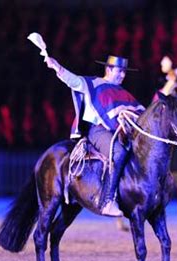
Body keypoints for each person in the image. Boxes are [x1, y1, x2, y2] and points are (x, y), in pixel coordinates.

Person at [44, 55, 145, 217]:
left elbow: (141, 113)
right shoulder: (94, 84)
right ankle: (107, 201)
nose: (123, 75)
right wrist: (57, 67)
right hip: (96, 130)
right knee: (119, 153)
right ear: (109, 69)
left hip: (117, 132)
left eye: (125, 72)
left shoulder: (123, 92)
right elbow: (73, 81)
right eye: (120, 71)